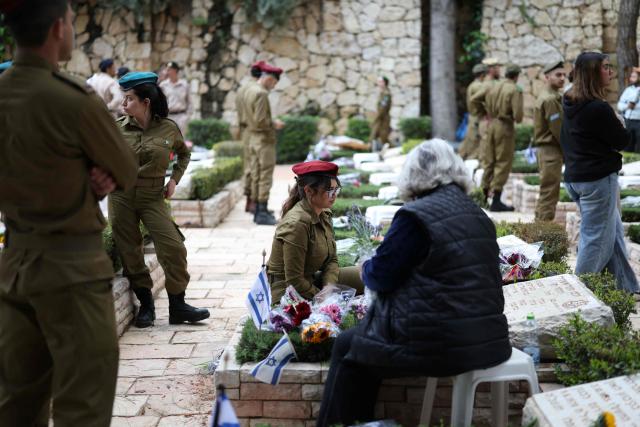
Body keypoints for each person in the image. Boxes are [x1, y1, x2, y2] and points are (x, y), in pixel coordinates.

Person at [0, 0, 138, 425]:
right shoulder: (72, 98)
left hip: (14, 267)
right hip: (72, 271)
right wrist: (86, 172)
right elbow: (125, 170)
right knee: (83, 405)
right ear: (58, 29)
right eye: (73, 23)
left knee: (17, 406)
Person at [316, 139, 511, 426]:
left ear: (413, 175)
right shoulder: (477, 214)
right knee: (361, 344)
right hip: (488, 339)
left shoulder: (415, 217)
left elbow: (380, 276)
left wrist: (366, 265)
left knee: (349, 345)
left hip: (441, 342)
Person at [109, 71, 210, 328]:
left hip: (153, 196)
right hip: (121, 196)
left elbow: (183, 155)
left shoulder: (169, 128)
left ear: (146, 101)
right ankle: (146, 305)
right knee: (130, 252)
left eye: (129, 98)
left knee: (174, 247)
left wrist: (174, 179)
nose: (123, 104)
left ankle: (178, 305)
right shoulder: (116, 129)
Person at [561, 51, 640, 294]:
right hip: (597, 180)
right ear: (594, 73)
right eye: (606, 67)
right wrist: (620, 122)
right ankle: (580, 294)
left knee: (612, 233)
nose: (611, 72)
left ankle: (626, 287)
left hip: (576, 178)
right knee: (596, 240)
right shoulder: (598, 108)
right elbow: (622, 141)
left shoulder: (570, 101)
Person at [267, 161, 364, 301]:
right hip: (288, 293)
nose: (334, 195)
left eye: (336, 190)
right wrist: (321, 297)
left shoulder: (323, 213)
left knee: (370, 274)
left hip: (310, 280)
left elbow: (331, 259)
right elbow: (294, 281)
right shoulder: (297, 224)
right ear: (309, 191)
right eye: (330, 191)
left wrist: (329, 287)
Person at [474, 63, 524, 211]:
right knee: (503, 162)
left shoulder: (493, 86)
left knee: (489, 161)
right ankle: (496, 199)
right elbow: (518, 116)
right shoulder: (514, 89)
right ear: (516, 76)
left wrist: (484, 112)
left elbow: (474, 98)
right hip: (505, 126)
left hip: (491, 124)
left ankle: (482, 196)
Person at [244, 61, 285, 225]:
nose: (273, 86)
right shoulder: (261, 93)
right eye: (274, 82)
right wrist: (275, 124)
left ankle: (258, 209)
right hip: (263, 140)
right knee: (265, 175)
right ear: (268, 78)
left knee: (256, 174)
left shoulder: (250, 90)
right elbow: (261, 121)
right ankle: (261, 211)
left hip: (253, 138)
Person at [533, 60, 566, 222]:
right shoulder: (550, 99)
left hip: (547, 150)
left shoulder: (551, 96)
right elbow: (558, 130)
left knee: (547, 191)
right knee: (549, 192)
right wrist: (569, 149)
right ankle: (543, 232)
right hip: (550, 150)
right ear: (547, 77)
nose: (562, 78)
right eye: (558, 75)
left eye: (564, 75)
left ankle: (538, 226)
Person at [237, 60, 264, 214]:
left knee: (249, 165)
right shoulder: (256, 89)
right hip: (255, 131)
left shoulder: (242, 89)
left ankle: (250, 201)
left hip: (245, 130)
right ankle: (253, 201)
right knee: (256, 166)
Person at [458, 63, 488, 160]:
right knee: (474, 147)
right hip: (477, 118)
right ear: (483, 75)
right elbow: (483, 102)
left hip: (473, 117)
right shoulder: (478, 86)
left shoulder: (472, 85)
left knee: (468, 143)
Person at [159, 61, 190, 135]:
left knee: (180, 140)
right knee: (167, 140)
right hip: (169, 116)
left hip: (181, 117)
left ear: (175, 70)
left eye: (169, 69)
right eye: (167, 69)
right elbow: (160, 101)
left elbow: (189, 102)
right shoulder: (163, 85)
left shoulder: (184, 84)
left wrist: (187, 116)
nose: (167, 71)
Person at [617, 67, 640, 152]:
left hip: (639, 121)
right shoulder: (628, 90)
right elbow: (619, 104)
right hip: (629, 120)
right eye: (631, 77)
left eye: (634, 77)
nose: (631, 79)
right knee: (628, 144)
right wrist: (628, 106)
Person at [369, 76, 392, 151]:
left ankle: (391, 150)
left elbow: (383, 108)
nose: (378, 83)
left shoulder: (386, 94)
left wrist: (376, 119)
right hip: (380, 118)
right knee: (374, 136)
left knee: (383, 138)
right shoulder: (382, 93)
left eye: (380, 81)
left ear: (384, 83)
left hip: (383, 119)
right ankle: (372, 151)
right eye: (378, 81)